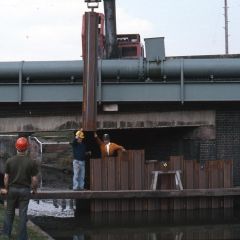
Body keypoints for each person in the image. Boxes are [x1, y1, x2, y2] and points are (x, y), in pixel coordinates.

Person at [2, 137, 39, 240]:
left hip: (12, 190)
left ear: (16, 147)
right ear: (27, 148)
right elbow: (35, 179)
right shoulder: (31, 162)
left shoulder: (10, 160)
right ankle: (22, 237)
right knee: (23, 214)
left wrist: (6, 188)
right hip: (25, 190)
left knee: (9, 212)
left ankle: (6, 234)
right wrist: (34, 189)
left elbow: (6, 177)